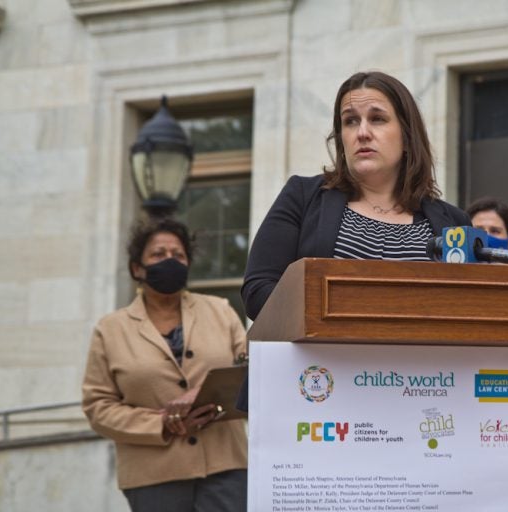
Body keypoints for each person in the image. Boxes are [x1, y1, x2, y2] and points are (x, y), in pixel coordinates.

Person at [241, 70, 470, 319]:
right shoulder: (302, 197)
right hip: (323, 357)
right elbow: (258, 291)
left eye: (377, 119)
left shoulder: (454, 223)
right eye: (350, 121)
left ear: (406, 136)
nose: (362, 132)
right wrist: (334, 313)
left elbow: (472, 307)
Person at [82, 218, 248, 512]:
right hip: (152, 476)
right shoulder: (110, 329)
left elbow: (250, 371)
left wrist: (201, 392)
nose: (169, 261)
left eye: (178, 255)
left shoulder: (220, 310)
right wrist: (163, 424)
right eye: (158, 254)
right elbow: (98, 407)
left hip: (227, 468)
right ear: (137, 268)